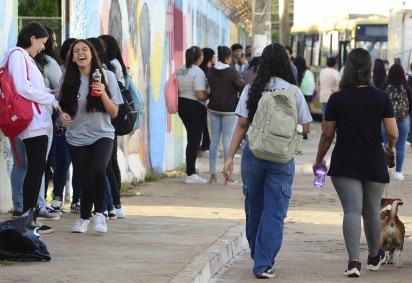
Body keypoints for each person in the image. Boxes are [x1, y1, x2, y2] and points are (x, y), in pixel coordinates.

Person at [223, 43, 312, 279]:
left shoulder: (253, 88)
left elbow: (242, 125)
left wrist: (230, 157)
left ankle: (258, 256)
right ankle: (263, 263)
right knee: (275, 212)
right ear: (285, 62)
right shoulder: (294, 91)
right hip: (282, 158)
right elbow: (305, 127)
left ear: (262, 64)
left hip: (254, 154)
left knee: (254, 208)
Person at [313, 48, 398, 277]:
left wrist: (319, 159)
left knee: (351, 210)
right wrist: (390, 148)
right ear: (369, 69)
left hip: (344, 160)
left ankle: (353, 262)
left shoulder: (337, 99)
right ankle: (373, 256)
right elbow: (393, 133)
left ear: (348, 69)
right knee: (370, 211)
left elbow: (327, 135)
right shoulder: (381, 97)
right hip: (373, 160)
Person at [59, 39, 123, 233]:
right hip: (76, 137)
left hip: (102, 134)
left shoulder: (107, 76)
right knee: (87, 180)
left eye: (84, 49)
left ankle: (100, 214)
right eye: (76, 51)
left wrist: (102, 93)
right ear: (72, 57)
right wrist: (62, 116)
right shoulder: (67, 78)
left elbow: (114, 113)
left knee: (98, 170)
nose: (80, 53)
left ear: (92, 53)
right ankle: (84, 217)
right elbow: (59, 105)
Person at [0, 22, 61, 221]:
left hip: (33, 121)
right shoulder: (18, 54)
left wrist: (47, 92)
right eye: (42, 43)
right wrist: (51, 99)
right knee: (35, 171)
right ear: (32, 38)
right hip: (32, 123)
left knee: (36, 170)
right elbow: (22, 88)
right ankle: (27, 221)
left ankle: (28, 219)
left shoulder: (20, 56)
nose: (43, 47)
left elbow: (28, 87)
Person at [51, 37, 84, 214]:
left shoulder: (88, 73)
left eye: (80, 51)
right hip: (64, 125)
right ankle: (57, 197)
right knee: (62, 161)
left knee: (79, 164)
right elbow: (57, 100)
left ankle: (77, 199)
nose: (77, 54)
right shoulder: (63, 73)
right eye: (74, 51)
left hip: (83, 127)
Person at [98, 34, 128, 218]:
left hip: (111, 116)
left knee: (109, 163)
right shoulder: (113, 65)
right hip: (109, 118)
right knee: (110, 162)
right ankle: (114, 203)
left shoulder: (111, 67)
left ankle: (114, 203)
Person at [207, 46, 245, 184]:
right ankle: (228, 177)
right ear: (228, 57)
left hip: (213, 109)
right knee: (228, 140)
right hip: (229, 110)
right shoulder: (232, 72)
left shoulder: (211, 71)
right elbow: (242, 87)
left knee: (214, 142)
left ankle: (212, 176)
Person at [176, 46, 209, 184]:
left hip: (182, 104)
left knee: (191, 138)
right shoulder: (198, 72)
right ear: (200, 57)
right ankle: (190, 173)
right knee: (194, 140)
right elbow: (200, 95)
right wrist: (211, 93)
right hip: (195, 106)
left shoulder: (181, 69)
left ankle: (191, 171)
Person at [380, 63, 412, 181]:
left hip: (387, 121)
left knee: (386, 145)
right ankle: (398, 172)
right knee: (400, 146)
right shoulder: (406, 86)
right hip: (403, 120)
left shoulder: (384, 86)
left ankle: (385, 171)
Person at [198, 47, 216, 156]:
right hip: (204, 101)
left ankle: (204, 146)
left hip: (204, 101)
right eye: (214, 55)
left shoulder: (206, 69)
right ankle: (205, 147)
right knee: (206, 126)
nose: (215, 57)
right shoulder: (206, 71)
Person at [319, 57, 341, 125]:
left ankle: (323, 133)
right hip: (331, 97)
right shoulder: (335, 72)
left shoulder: (322, 71)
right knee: (331, 118)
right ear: (335, 64)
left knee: (324, 117)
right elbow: (340, 83)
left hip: (322, 96)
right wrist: (335, 89)